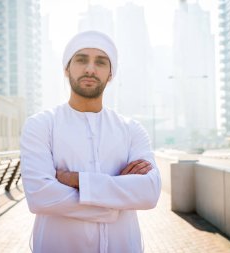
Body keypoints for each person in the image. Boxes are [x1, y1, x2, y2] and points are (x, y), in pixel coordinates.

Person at [20, 30, 161, 253]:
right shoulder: (41, 125)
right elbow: (40, 196)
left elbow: (150, 192)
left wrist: (75, 180)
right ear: (67, 69)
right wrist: (114, 204)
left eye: (101, 62)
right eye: (81, 60)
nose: (90, 69)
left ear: (110, 74)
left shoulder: (131, 130)